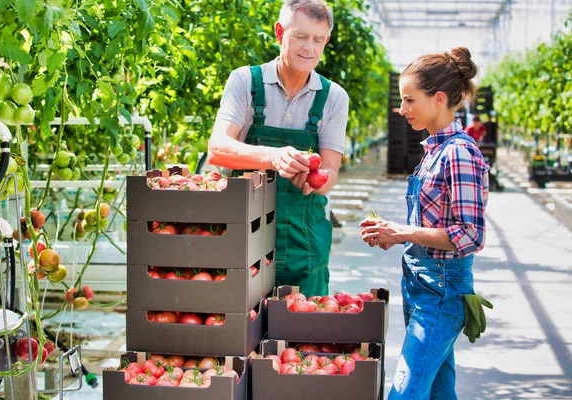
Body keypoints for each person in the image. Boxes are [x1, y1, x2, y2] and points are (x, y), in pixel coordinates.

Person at [360, 48, 490, 399]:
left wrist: (403, 232)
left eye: (409, 100)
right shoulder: (434, 151)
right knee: (436, 391)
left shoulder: (459, 153)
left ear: (438, 99)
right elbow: (437, 222)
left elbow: (470, 234)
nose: (402, 110)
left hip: (442, 291)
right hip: (420, 285)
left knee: (406, 391)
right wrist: (396, 235)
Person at [208, 0, 349, 298]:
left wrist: (315, 180)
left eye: (318, 39)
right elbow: (217, 148)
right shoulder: (246, 81)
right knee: (238, 334)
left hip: (303, 241)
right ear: (279, 33)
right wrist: (273, 157)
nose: (309, 48)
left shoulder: (334, 97)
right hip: (242, 236)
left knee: (304, 334)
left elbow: (331, 170)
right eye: (300, 36)